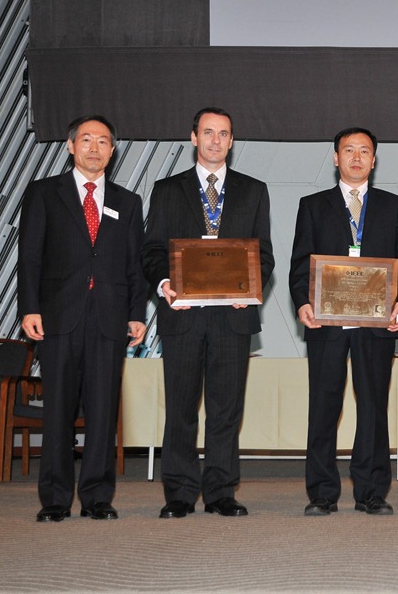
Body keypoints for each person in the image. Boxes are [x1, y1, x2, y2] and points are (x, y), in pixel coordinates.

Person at [142, 107, 274, 519]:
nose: (215, 141)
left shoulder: (254, 190)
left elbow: (263, 255)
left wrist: (252, 290)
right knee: (180, 407)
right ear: (194, 138)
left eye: (224, 134)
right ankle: (179, 493)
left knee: (225, 409)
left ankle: (220, 491)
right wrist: (165, 285)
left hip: (232, 318)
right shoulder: (167, 190)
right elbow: (151, 252)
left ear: (232, 141)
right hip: (183, 315)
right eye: (208, 133)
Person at [18, 114, 148, 522]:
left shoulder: (128, 202)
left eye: (104, 141)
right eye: (87, 140)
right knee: (57, 411)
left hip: (109, 321)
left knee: (102, 411)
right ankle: (55, 499)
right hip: (58, 317)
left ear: (113, 150)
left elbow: (135, 266)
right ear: (71, 146)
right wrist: (29, 307)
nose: (95, 147)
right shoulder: (43, 194)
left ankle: (97, 497)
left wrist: (136, 314)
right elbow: (30, 258)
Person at [289, 127, 398, 517]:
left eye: (364, 151)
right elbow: (299, 264)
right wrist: (302, 303)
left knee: (373, 407)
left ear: (374, 160)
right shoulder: (312, 205)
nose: (357, 157)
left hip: (375, 324)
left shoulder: (394, 206)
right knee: (323, 407)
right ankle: (322, 493)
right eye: (349, 150)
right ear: (335, 157)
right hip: (325, 324)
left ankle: (372, 492)